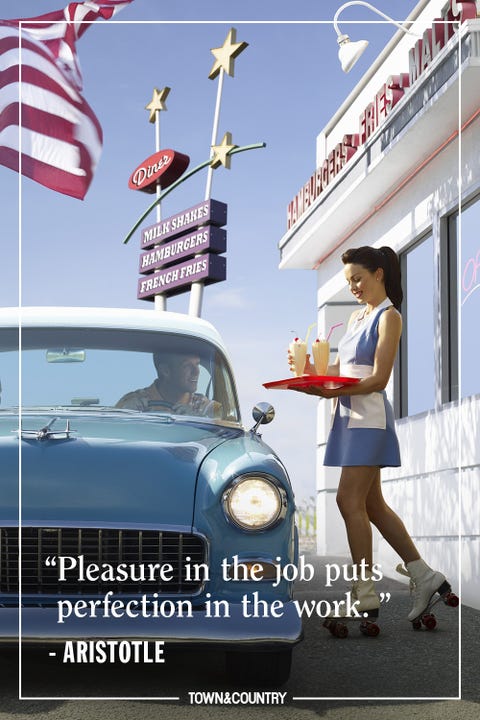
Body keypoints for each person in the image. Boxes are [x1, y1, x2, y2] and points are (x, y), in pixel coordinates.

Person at [290, 245, 455, 626]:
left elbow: (380, 378)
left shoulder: (388, 317)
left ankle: (364, 594)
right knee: (374, 505)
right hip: (349, 418)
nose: (354, 287)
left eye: (358, 279)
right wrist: (308, 373)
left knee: (348, 501)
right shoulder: (356, 319)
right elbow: (340, 367)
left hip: (369, 419)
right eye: (349, 282)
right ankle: (424, 575)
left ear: (379, 273)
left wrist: (331, 391)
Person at [116, 351, 220, 417]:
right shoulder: (132, 404)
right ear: (165, 371)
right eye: (187, 366)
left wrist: (200, 421)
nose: (196, 372)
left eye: (197, 364)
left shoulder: (205, 407)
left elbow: (229, 422)